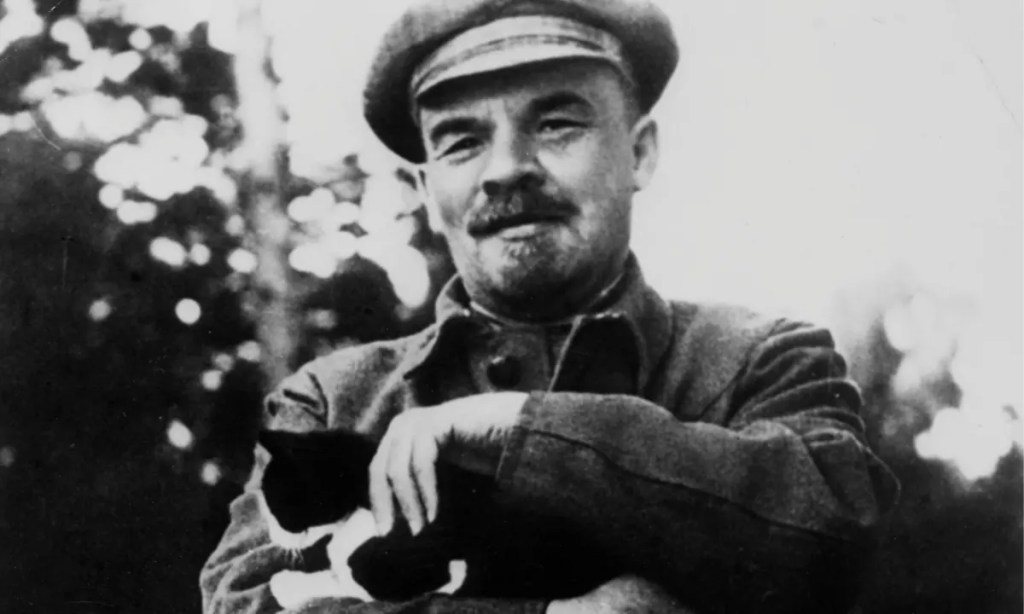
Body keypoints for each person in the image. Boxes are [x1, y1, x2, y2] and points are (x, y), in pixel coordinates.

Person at [201, 1, 898, 612]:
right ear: (426, 188)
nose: (506, 168)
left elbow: (827, 542)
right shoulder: (333, 402)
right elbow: (242, 602)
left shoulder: (763, 361)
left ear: (640, 152)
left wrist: (519, 424)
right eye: (462, 141)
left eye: (557, 123)